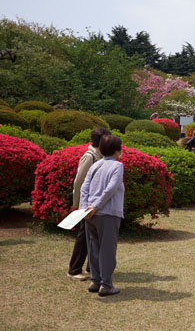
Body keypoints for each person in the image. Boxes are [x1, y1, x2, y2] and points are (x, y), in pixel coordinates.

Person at [81, 134, 125, 297]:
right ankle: (106, 285)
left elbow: (84, 188)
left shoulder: (96, 165)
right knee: (107, 249)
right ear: (117, 150)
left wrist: (85, 208)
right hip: (108, 213)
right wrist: (96, 206)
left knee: (93, 247)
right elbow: (111, 189)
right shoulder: (117, 166)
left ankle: (96, 280)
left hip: (90, 214)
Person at [67, 127, 111, 281]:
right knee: (84, 237)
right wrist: (80, 205)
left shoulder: (100, 156)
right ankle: (74, 269)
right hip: (87, 205)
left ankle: (90, 267)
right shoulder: (90, 156)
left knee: (94, 237)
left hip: (96, 204)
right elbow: (79, 183)